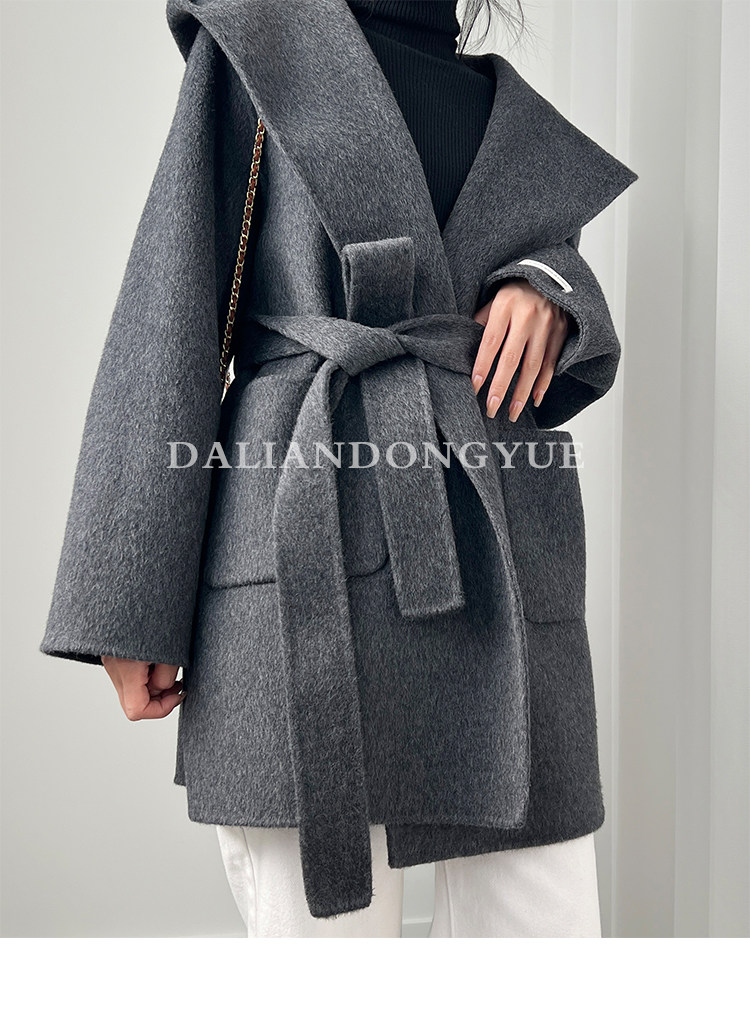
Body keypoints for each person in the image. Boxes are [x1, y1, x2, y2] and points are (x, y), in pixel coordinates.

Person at [40, 0, 638, 937]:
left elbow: (529, 294)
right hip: (306, 547)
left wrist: (552, 287)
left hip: (498, 561)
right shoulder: (262, 35)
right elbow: (171, 305)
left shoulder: (505, 110)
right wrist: (127, 600)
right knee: (326, 963)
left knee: (547, 947)